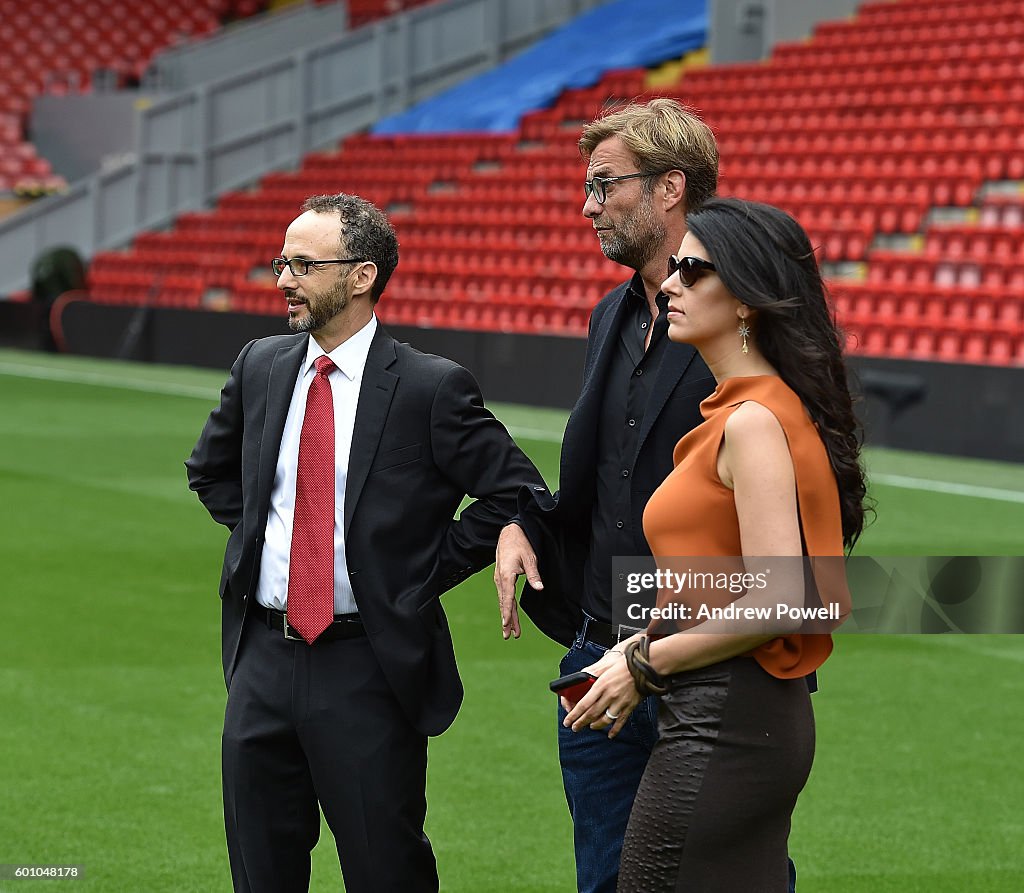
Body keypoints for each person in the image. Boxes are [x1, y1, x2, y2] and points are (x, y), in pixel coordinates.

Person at [185, 192, 544, 893]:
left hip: (369, 666)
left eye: (303, 264)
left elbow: (518, 489)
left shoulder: (429, 386)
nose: (283, 278)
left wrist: (420, 569)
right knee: (259, 872)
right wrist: (274, 537)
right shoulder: (260, 363)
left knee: (386, 871)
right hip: (261, 657)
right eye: (281, 261)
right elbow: (210, 469)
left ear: (362, 275)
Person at [562, 197, 868, 891]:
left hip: (728, 716)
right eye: (674, 269)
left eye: (692, 271)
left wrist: (643, 659)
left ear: (748, 300)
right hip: (734, 711)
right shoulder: (749, 411)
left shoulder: (753, 421)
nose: (669, 283)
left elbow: (782, 597)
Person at [493, 98, 719, 893]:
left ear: (670, 189)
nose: (587, 206)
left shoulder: (749, 320)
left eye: (604, 185)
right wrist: (526, 521)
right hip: (596, 656)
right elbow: (607, 477)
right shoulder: (609, 314)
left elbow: (803, 549)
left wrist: (657, 653)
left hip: (705, 664)